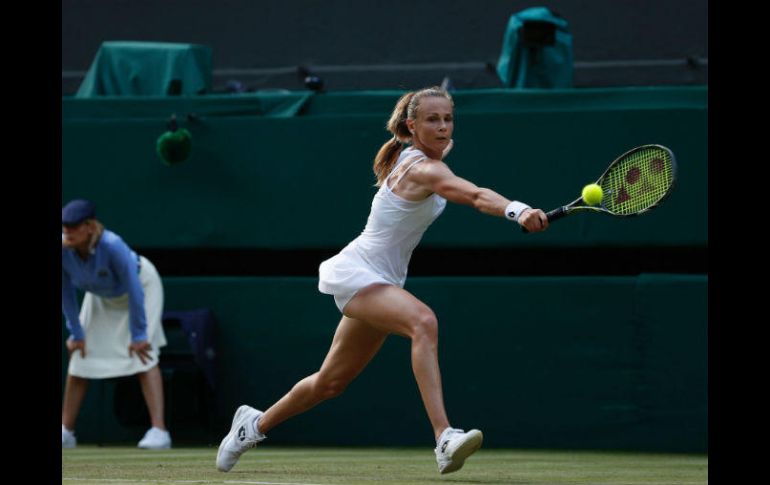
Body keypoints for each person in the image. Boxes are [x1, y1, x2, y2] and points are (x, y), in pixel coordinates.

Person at [215, 86, 549, 474]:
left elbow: (445, 158)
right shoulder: (423, 168)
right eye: (432, 120)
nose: (443, 127)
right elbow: (473, 195)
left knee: (329, 383)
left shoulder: (426, 156)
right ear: (412, 125)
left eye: (448, 119)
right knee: (423, 322)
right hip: (359, 272)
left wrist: (439, 145)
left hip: (383, 280)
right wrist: (517, 209)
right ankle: (444, 437)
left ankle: (250, 426)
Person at [61, 199, 172, 450]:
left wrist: (139, 333)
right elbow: (65, 291)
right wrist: (75, 332)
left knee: (145, 353)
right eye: (64, 226)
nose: (67, 231)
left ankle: (159, 431)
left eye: (73, 226)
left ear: (89, 227)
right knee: (80, 355)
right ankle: (66, 431)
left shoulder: (112, 245)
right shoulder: (63, 248)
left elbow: (134, 289)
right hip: (102, 296)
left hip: (142, 287)